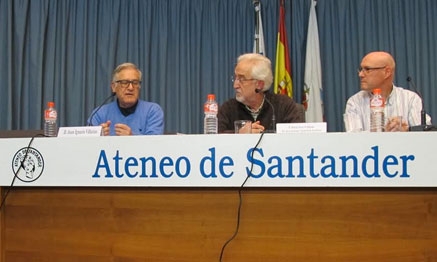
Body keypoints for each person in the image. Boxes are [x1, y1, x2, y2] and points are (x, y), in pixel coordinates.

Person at [344, 51, 430, 132]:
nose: (361, 74)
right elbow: (354, 139)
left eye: (367, 69)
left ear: (387, 72)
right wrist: (386, 134)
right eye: (361, 69)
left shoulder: (410, 99)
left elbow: (426, 134)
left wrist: (407, 130)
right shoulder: (355, 102)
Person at [218, 53, 304, 133]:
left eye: (242, 79)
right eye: (235, 78)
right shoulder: (228, 108)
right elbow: (215, 139)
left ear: (259, 84)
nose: (235, 85)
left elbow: (298, 138)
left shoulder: (283, 105)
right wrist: (239, 134)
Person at [87, 63, 164, 136]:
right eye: (124, 82)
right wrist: (97, 137)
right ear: (114, 87)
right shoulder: (99, 113)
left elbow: (154, 145)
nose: (130, 88)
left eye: (135, 82)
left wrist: (132, 138)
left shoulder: (152, 111)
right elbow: (87, 144)